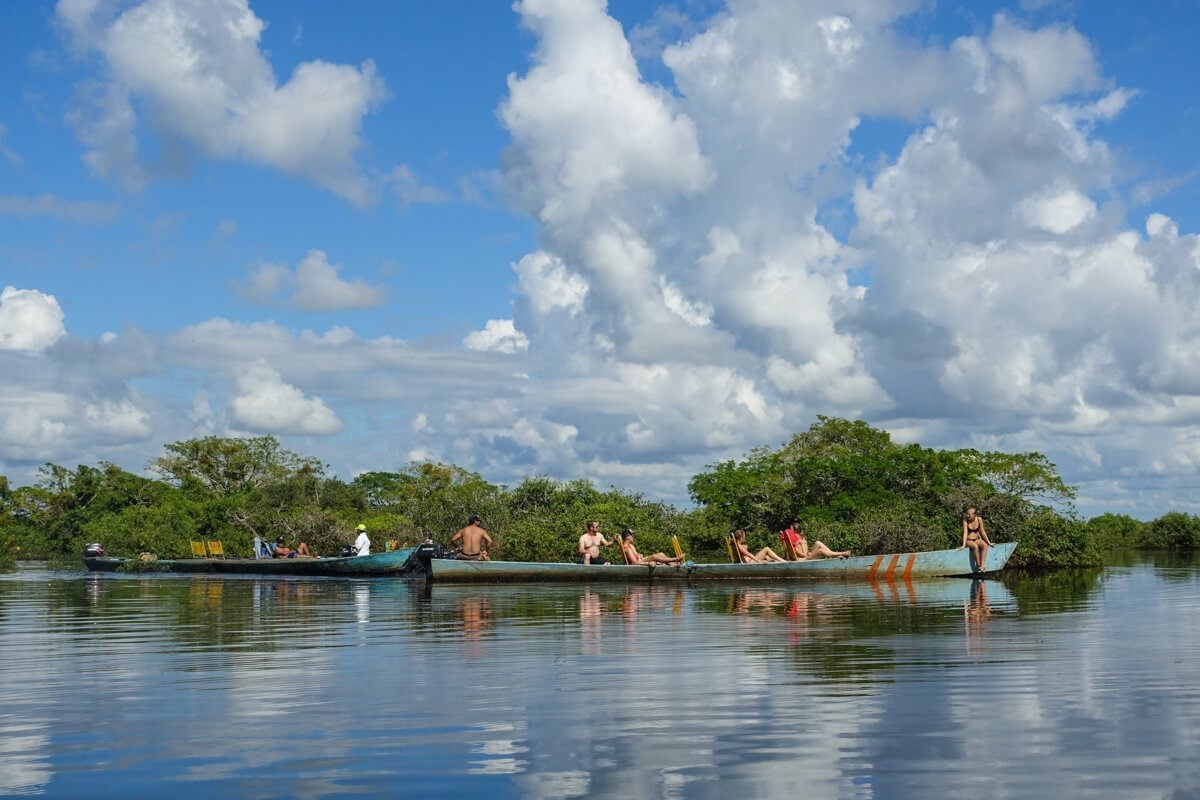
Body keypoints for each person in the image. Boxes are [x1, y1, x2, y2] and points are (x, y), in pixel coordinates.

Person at [781, 522, 850, 560]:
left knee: (818, 543)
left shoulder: (798, 541)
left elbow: (805, 552)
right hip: (804, 558)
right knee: (820, 551)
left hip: (806, 556)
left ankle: (836, 555)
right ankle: (842, 553)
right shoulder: (794, 545)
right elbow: (804, 555)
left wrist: (808, 552)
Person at [619, 529, 685, 566]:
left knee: (661, 554)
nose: (634, 537)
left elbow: (636, 555)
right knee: (653, 557)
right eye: (632, 536)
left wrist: (639, 555)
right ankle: (675, 559)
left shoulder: (631, 545)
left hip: (640, 560)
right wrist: (648, 563)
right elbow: (635, 563)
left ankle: (673, 563)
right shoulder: (627, 549)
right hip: (636, 564)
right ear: (627, 537)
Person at [960, 507, 992, 572]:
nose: (967, 516)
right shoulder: (965, 521)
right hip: (968, 541)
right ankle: (978, 565)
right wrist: (963, 545)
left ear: (974, 515)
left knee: (984, 545)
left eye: (969, 514)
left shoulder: (979, 519)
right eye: (967, 514)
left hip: (976, 539)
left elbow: (983, 532)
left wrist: (989, 542)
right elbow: (965, 533)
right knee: (975, 546)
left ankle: (982, 565)